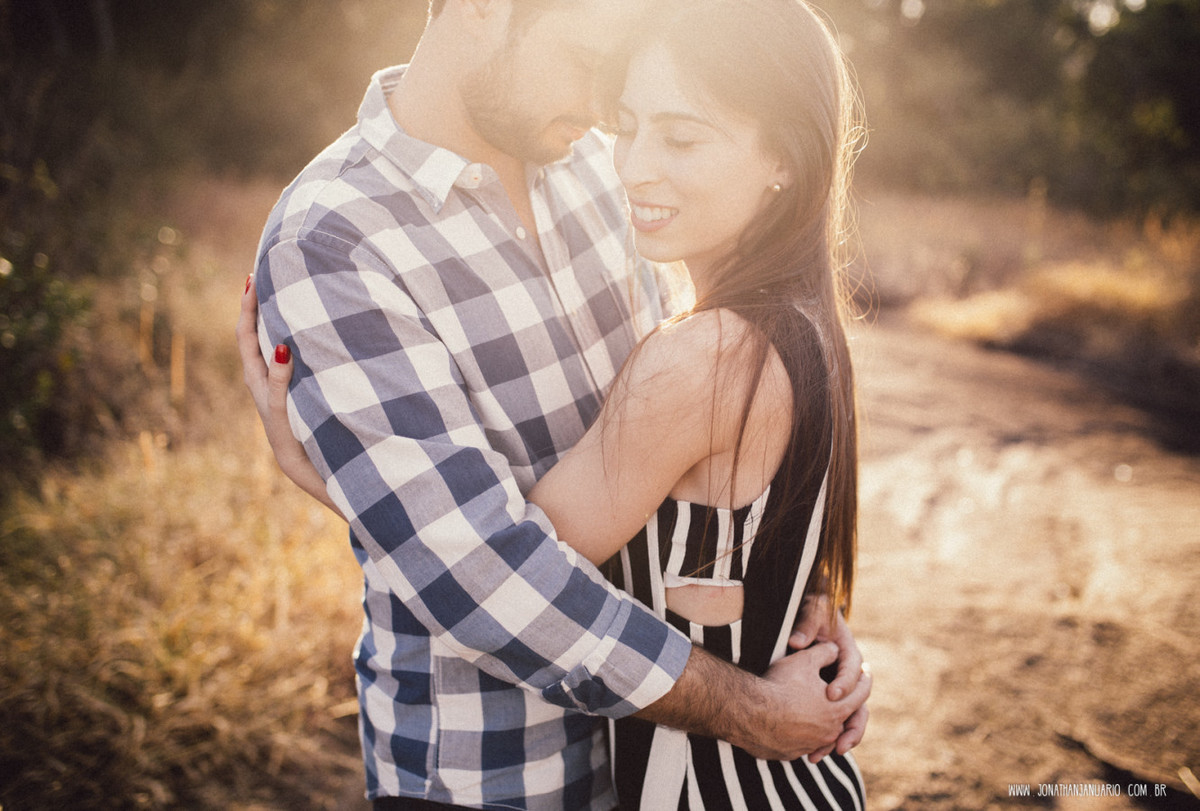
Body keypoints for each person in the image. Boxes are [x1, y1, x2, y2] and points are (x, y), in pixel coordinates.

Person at [237, 0, 870, 808]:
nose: (611, 115)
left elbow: (709, 448)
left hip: (656, 763)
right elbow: (475, 577)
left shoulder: (600, 172)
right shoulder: (336, 239)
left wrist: (787, 602)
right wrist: (754, 708)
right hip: (493, 771)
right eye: (584, 61)